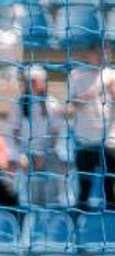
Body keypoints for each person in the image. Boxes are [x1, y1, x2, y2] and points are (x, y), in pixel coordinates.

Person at [8, 65, 65, 205]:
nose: (37, 84)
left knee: (50, 196)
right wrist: (22, 154)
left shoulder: (51, 103)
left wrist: (43, 154)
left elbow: (55, 133)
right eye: (32, 81)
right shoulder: (19, 103)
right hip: (26, 156)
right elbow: (15, 132)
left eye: (40, 80)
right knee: (30, 197)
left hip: (48, 155)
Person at [67, 44, 115, 210]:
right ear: (89, 54)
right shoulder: (76, 75)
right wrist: (98, 89)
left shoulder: (113, 75)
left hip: (109, 141)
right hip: (85, 139)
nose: (103, 56)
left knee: (111, 189)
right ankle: (80, 227)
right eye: (99, 52)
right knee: (84, 189)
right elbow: (74, 104)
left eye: (107, 53)